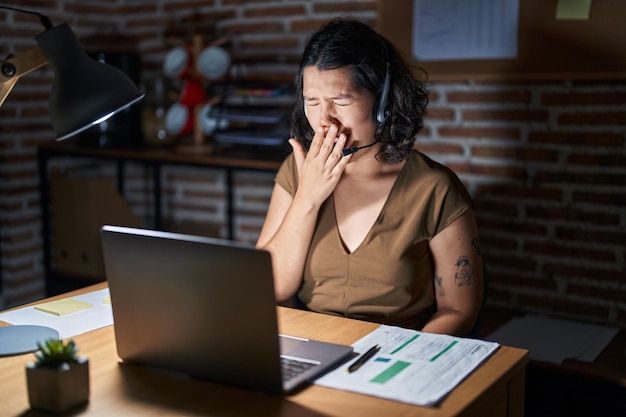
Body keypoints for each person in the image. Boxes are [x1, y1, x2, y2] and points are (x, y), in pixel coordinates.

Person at [256, 18, 483, 336]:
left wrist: (407, 360)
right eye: (312, 102)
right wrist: (307, 197)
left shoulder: (434, 188)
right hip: (311, 342)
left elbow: (458, 310)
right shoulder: (297, 172)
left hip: (398, 351)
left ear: (383, 104)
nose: (324, 121)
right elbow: (272, 290)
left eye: (341, 102)